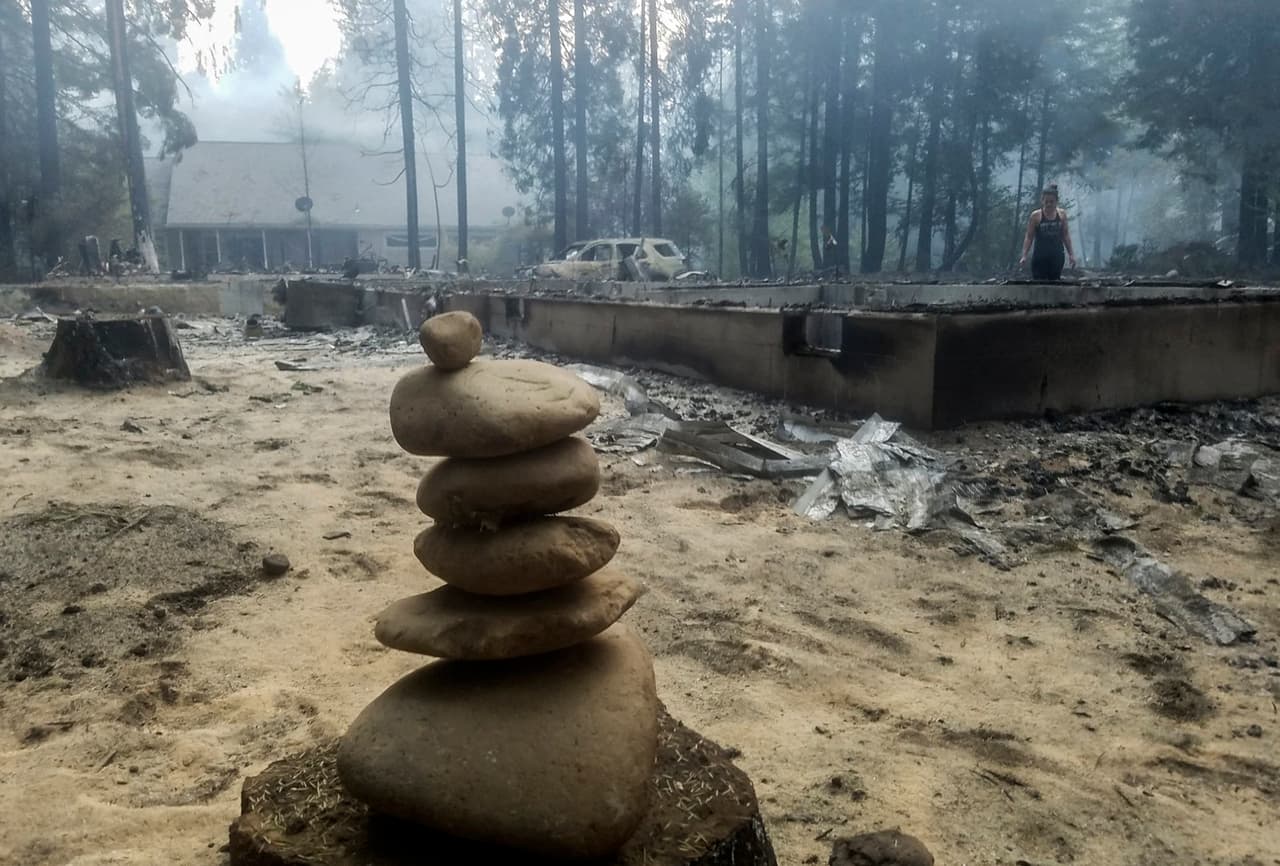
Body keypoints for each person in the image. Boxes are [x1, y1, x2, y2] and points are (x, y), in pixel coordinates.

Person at [1019, 184, 1077, 280]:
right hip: (1040, 257)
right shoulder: (1036, 216)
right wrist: (1024, 255)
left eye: (1052, 202)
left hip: (1057, 256)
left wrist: (1071, 254)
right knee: (1039, 283)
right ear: (1042, 201)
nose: (1049, 204)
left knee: (1054, 283)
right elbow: (1029, 237)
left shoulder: (1062, 215)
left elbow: (1065, 235)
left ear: (1056, 202)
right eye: (1046, 202)